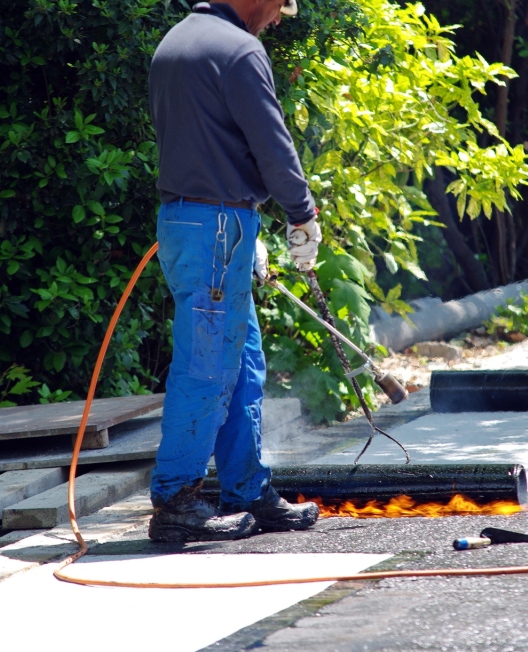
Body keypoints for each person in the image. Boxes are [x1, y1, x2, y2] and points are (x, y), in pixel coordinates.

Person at [147, 0, 322, 541]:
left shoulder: (175, 42)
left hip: (197, 221)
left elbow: (207, 144)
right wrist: (301, 212)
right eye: (276, 9)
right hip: (218, 227)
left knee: (242, 360)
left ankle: (248, 490)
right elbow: (272, 144)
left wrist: (246, 221)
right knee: (208, 366)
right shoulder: (240, 51)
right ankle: (176, 500)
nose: (274, 19)